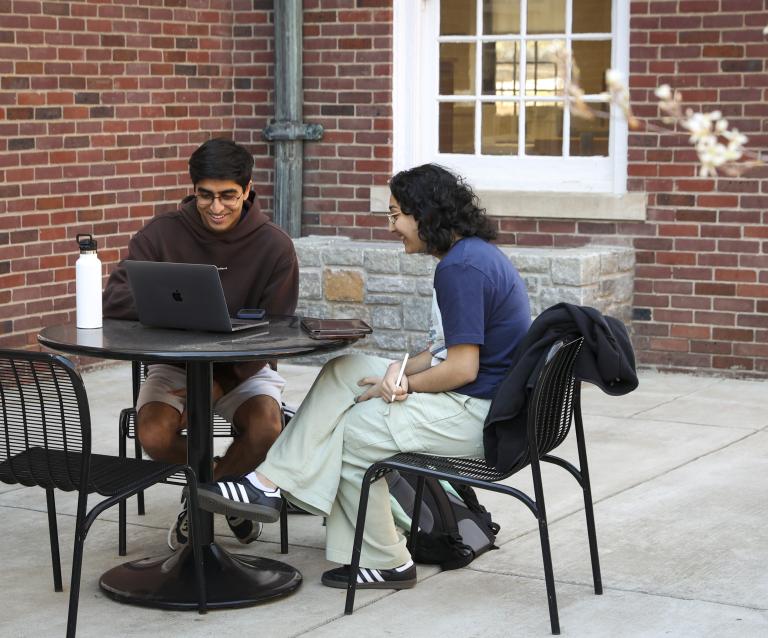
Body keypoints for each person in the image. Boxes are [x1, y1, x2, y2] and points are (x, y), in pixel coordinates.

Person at [194, 163, 531, 589]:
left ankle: (386, 561)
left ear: (423, 214)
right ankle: (268, 483)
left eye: (395, 215)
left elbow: (463, 368)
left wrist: (403, 385)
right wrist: (400, 369)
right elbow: (447, 351)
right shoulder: (473, 254)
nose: (392, 227)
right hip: (484, 400)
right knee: (346, 370)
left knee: (351, 433)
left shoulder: (460, 269)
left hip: (478, 415)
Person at [103, 138, 299, 548]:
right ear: (193, 190)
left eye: (228, 196)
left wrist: (216, 383)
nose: (216, 207)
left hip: (245, 367)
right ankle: (222, 494)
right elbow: (115, 299)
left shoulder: (275, 246)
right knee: (153, 435)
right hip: (175, 365)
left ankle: (199, 502)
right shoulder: (161, 235)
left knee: (267, 426)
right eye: (205, 195)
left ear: (247, 190)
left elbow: (276, 334)